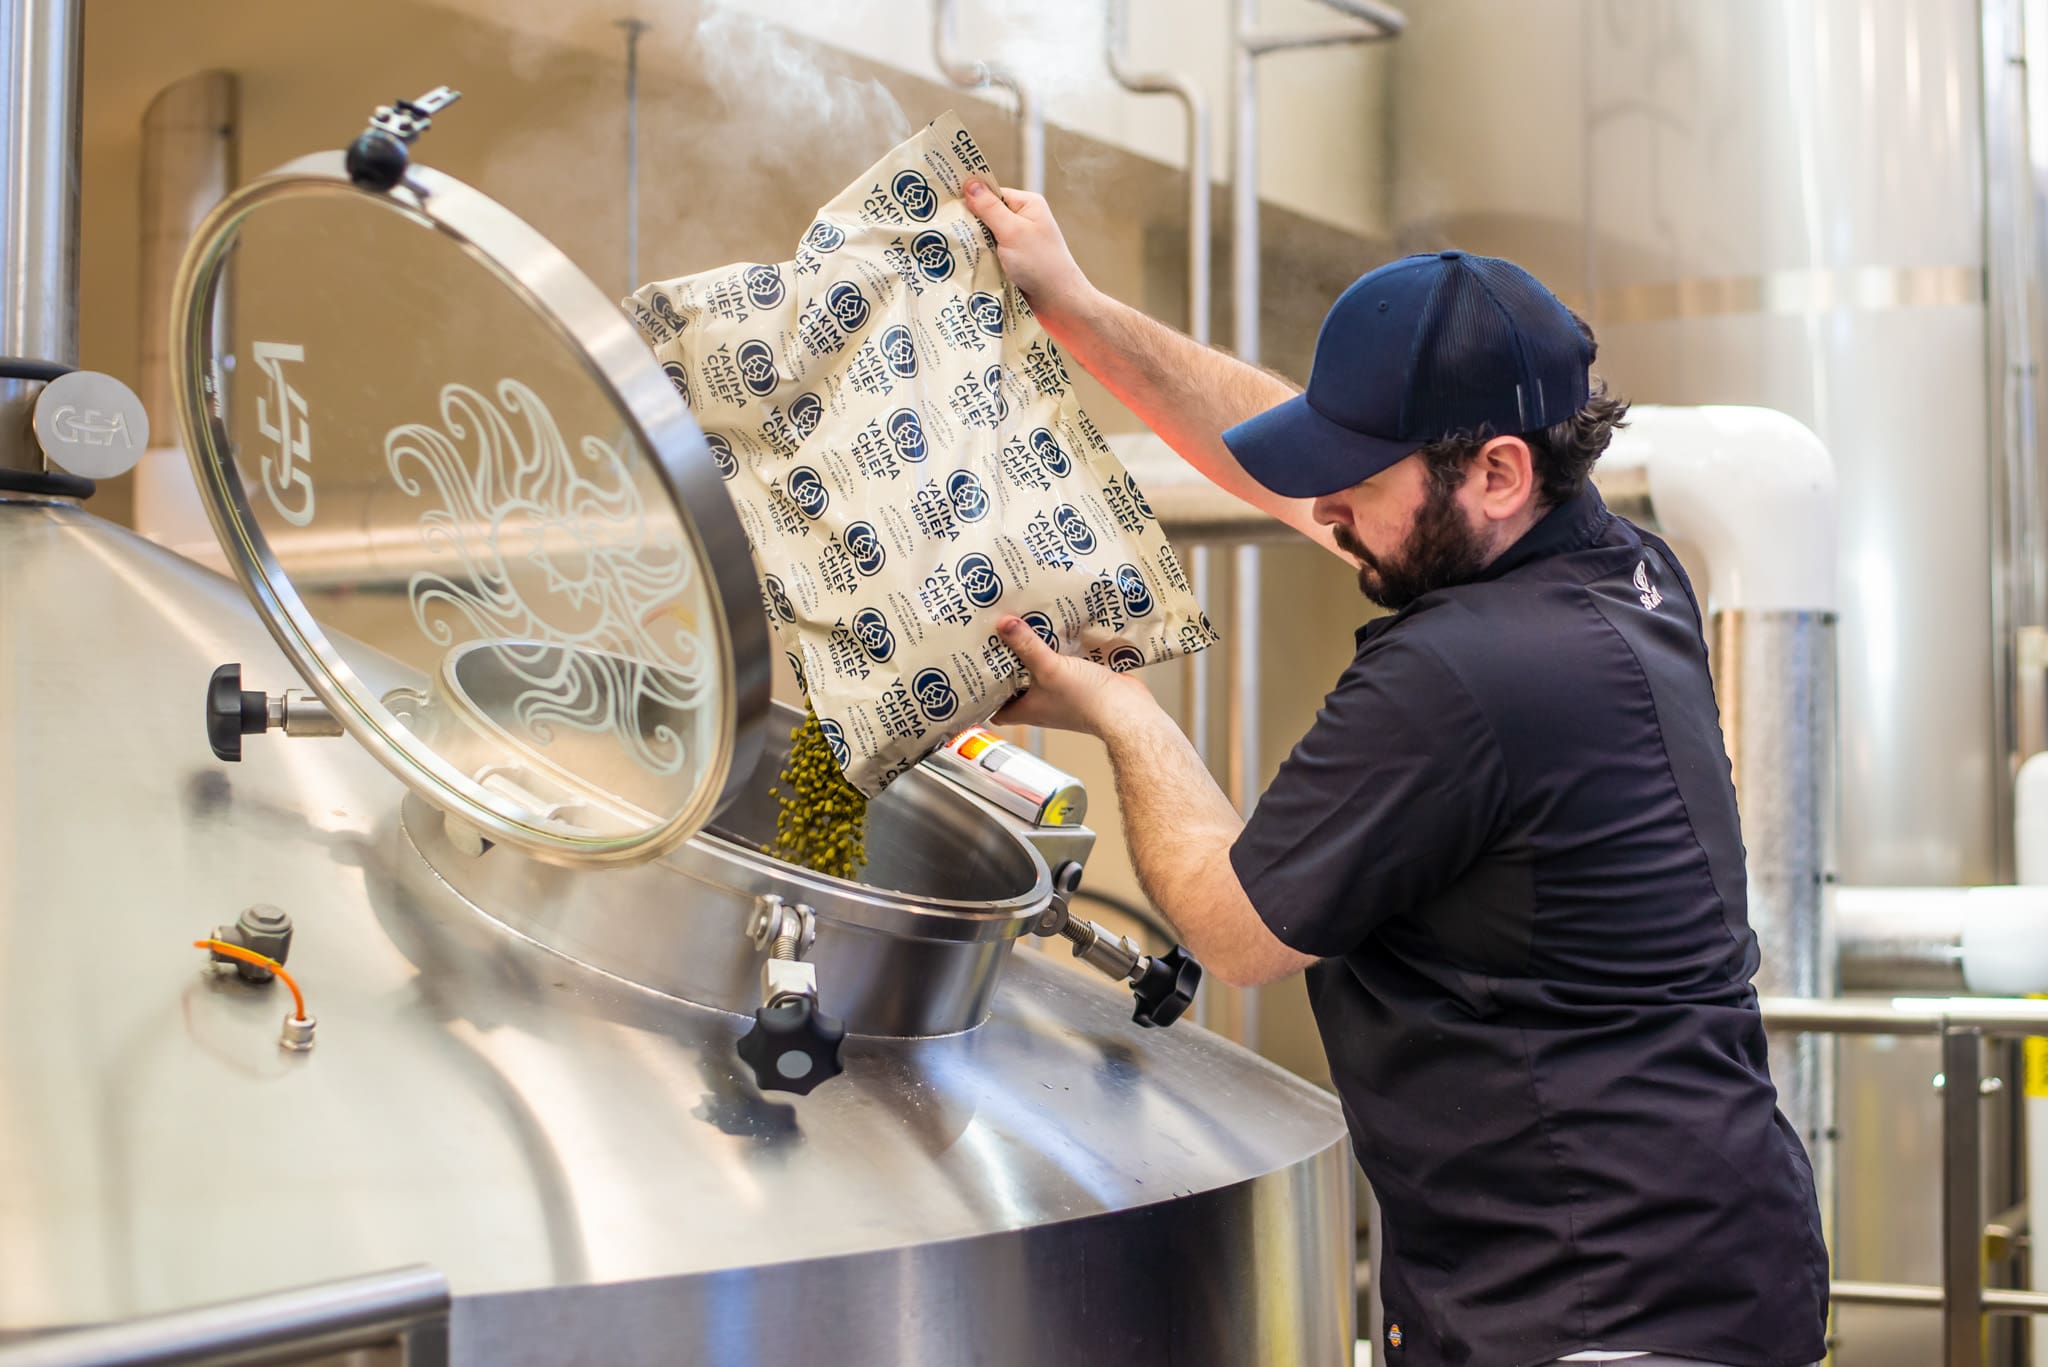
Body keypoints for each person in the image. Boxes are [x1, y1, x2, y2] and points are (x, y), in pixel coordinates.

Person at [960, 177, 1829, 1367]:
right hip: (1708, 1263)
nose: (1324, 503)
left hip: (1594, 1308)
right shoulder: (1624, 569)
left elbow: (1232, 926)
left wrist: (1120, 712)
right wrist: (1078, 307)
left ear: (1497, 474)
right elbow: (1302, 468)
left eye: (1357, 477)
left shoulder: (1461, 673)